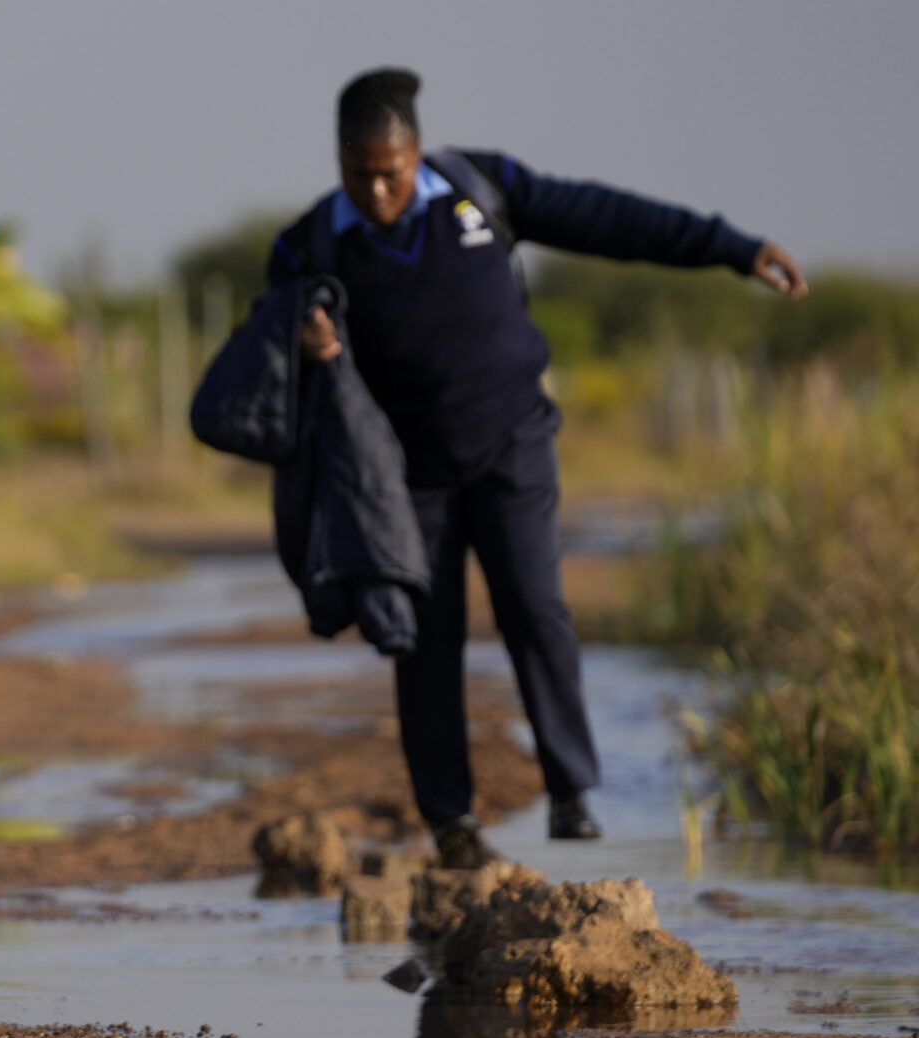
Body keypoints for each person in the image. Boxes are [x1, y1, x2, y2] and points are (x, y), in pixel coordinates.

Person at [268, 68, 808, 867]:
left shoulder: (483, 185)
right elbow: (263, 345)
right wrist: (299, 337)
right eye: (361, 174)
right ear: (339, 161)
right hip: (406, 479)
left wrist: (729, 247)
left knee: (535, 606)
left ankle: (571, 788)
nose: (379, 189)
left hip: (511, 446)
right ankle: (452, 821)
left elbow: (611, 219)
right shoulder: (311, 242)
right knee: (426, 639)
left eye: (393, 171)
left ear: (417, 153)